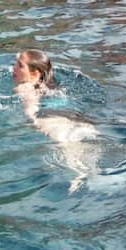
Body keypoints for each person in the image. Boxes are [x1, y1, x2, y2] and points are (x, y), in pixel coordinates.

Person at [13, 49, 98, 189]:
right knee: (89, 162)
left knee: (74, 165)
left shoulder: (24, 87)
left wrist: (32, 122)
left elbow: (30, 111)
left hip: (56, 125)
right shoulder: (54, 86)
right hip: (82, 121)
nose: (14, 68)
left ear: (35, 73)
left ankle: (78, 180)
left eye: (20, 65)